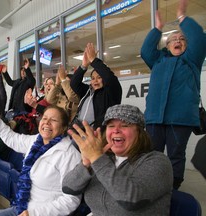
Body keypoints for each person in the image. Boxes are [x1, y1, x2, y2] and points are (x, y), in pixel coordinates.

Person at [140, 0, 206, 189]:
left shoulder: (191, 60)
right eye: (173, 39)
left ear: (187, 45)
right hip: (154, 118)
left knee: (176, 156)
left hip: (180, 119)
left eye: (182, 39)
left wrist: (182, 17)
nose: (177, 40)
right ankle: (152, 186)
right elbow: (145, 51)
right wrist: (157, 30)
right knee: (152, 154)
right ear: (166, 46)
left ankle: (173, 189)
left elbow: (200, 40)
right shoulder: (158, 60)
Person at [63, 104, 173, 215]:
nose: (116, 130)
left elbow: (131, 200)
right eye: (110, 126)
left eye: (124, 125)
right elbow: (68, 188)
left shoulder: (157, 161)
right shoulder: (102, 158)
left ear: (139, 132)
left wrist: (97, 158)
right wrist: (86, 164)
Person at [0, 99, 81, 216]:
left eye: (53, 120)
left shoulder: (70, 155)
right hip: (23, 207)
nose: (47, 122)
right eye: (44, 118)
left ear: (64, 128)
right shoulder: (36, 140)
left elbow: (71, 200)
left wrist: (34, 213)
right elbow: (12, 138)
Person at [70, 42, 122, 130]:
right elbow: (74, 83)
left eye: (99, 77)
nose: (95, 81)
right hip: (79, 131)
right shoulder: (87, 91)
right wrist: (84, 66)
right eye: (93, 78)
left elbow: (109, 78)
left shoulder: (110, 92)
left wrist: (94, 60)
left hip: (98, 134)